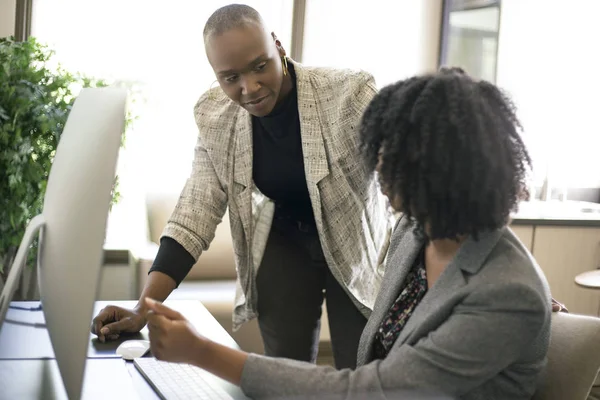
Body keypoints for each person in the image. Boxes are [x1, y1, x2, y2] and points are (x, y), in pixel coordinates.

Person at [142, 68, 553, 400]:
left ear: (445, 176)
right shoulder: (415, 233)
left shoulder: (507, 293)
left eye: (395, 165)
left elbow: (374, 389)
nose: (379, 176)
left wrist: (202, 352)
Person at [90, 4, 393, 369]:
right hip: (284, 241)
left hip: (355, 244)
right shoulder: (215, 115)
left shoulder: (348, 93)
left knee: (364, 369)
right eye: (230, 77)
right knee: (284, 373)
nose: (249, 88)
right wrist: (143, 309)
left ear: (278, 47)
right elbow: (194, 213)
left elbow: (400, 175)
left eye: (260, 66)